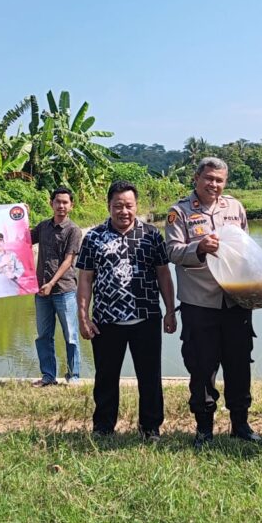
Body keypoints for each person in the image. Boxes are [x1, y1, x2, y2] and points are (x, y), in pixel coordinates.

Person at [165, 157, 259, 447]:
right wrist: (199, 248)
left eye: (219, 180)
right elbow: (172, 252)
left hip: (235, 301)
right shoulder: (178, 212)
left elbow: (246, 249)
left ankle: (240, 424)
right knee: (202, 367)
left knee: (239, 364)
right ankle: (204, 427)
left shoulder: (235, 207)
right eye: (209, 179)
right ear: (196, 178)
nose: (214, 185)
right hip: (200, 303)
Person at [76, 180, 177, 441]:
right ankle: (103, 427)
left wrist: (169, 310)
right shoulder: (94, 237)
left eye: (129, 206)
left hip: (146, 317)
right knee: (106, 377)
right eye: (117, 206)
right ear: (109, 206)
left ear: (136, 206)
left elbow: (164, 274)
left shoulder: (151, 235)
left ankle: (150, 427)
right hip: (106, 320)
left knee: (150, 376)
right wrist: (83, 316)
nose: (124, 211)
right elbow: (85, 279)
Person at [30, 187, 83, 386]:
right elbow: (24, 239)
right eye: (57, 201)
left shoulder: (73, 230)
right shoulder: (43, 227)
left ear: (71, 206)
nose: (61, 206)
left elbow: (68, 260)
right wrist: (19, 216)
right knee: (44, 335)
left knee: (70, 336)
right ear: (51, 203)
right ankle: (48, 376)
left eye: (65, 202)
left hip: (64, 291)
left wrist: (51, 283)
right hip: (41, 292)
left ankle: (74, 376)